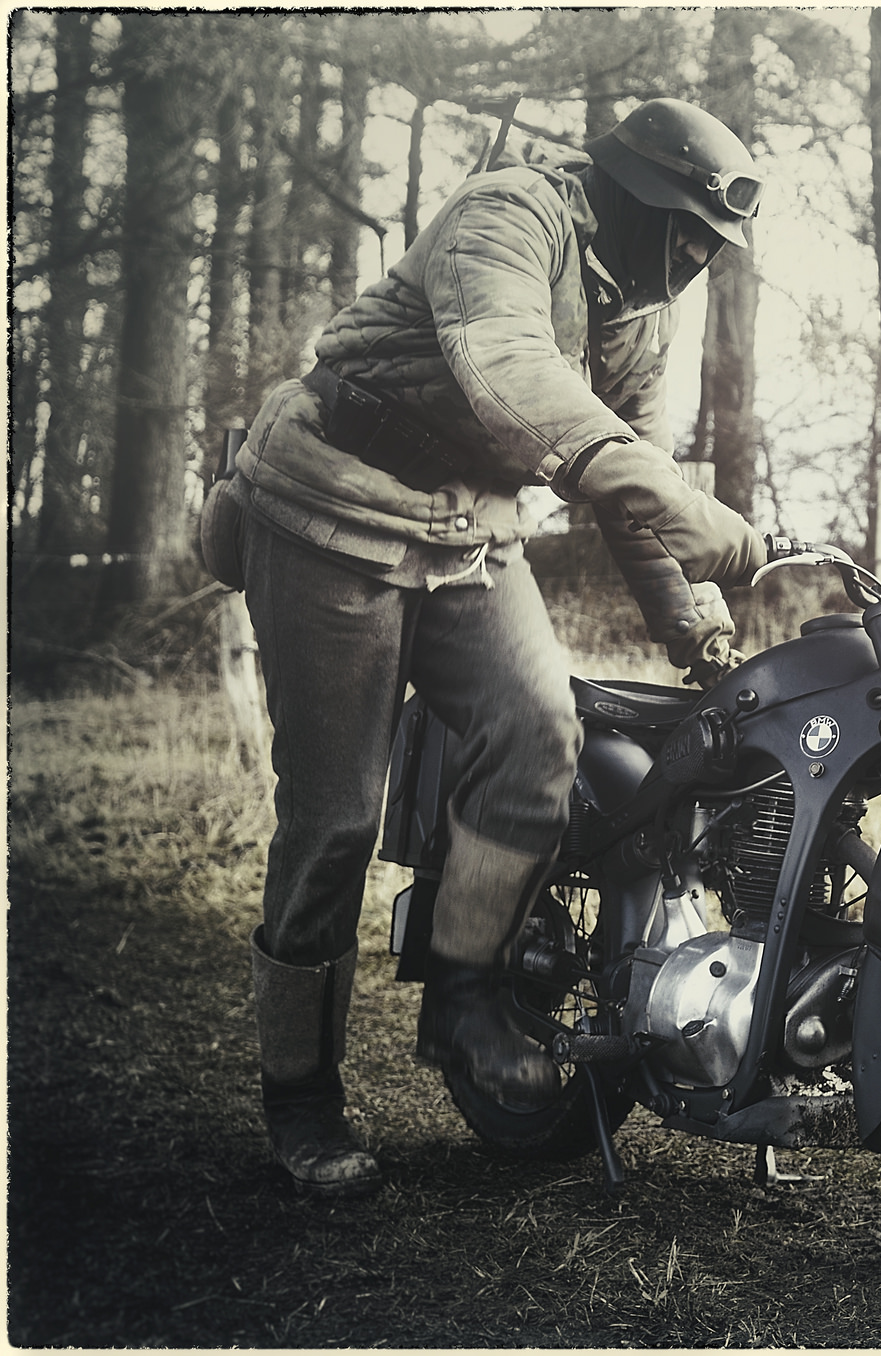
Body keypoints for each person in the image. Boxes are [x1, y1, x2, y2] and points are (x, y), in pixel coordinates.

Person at [211, 98, 768, 1198]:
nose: (695, 258)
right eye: (688, 232)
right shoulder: (507, 216)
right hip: (327, 506)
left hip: (465, 530)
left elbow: (630, 491)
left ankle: (465, 1000)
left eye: (713, 245)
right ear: (637, 196)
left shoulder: (637, 319)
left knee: (536, 734)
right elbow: (515, 381)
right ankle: (303, 1100)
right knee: (332, 819)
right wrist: (682, 498)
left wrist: (695, 624)